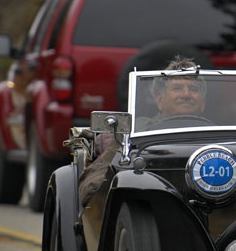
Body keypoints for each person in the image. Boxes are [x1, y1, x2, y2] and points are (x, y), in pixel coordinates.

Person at [79, 56, 203, 205]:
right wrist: (97, 196)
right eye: (177, 88)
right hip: (146, 207)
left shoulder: (219, 134)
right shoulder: (135, 129)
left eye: (193, 89)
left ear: (203, 102)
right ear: (159, 100)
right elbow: (100, 175)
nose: (186, 95)